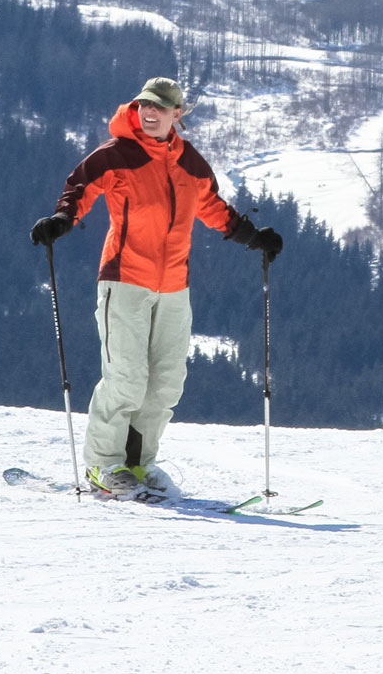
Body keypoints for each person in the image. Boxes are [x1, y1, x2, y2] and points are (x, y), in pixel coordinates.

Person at [30, 78, 281, 497]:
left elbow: (213, 207)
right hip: (124, 280)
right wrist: (61, 221)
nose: (150, 112)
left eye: (160, 107)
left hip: (174, 286)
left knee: (165, 382)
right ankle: (103, 466)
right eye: (145, 104)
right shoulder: (116, 155)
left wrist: (254, 237)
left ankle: (139, 466)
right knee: (126, 377)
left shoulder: (190, 163)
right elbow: (79, 190)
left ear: (177, 114)